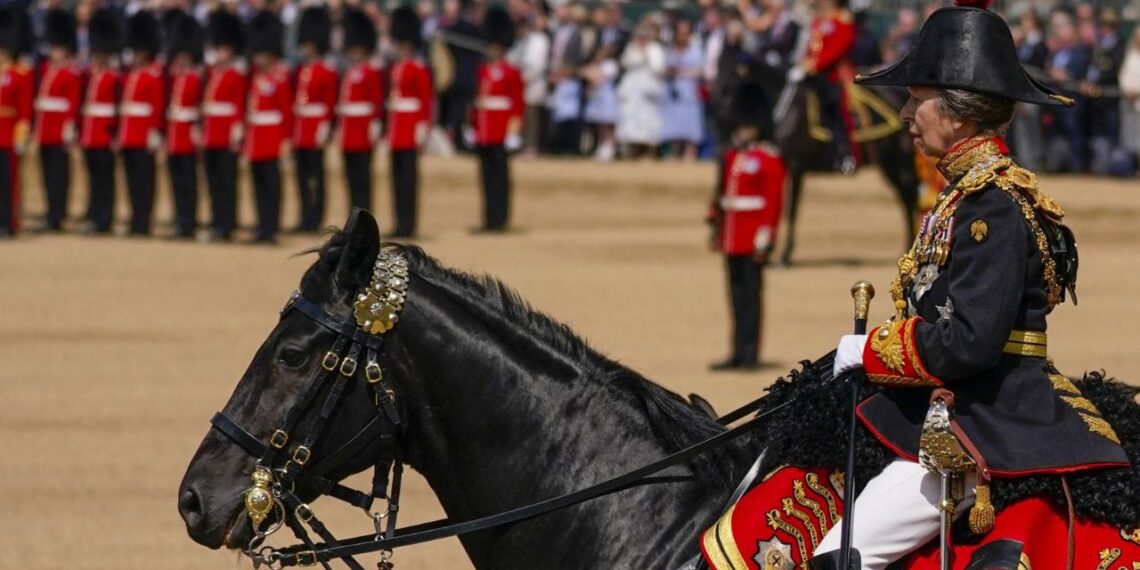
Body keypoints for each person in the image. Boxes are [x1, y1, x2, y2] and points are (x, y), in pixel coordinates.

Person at [820, 4, 1129, 568]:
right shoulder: (967, 195)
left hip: (985, 413)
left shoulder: (995, 207)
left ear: (959, 114)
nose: (906, 113)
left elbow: (970, 341)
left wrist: (871, 349)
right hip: (957, 398)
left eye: (918, 100)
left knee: (839, 556)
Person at [708, 82, 784, 371]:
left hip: (752, 237)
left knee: (751, 298)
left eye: (746, 125)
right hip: (732, 237)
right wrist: (717, 227)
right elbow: (722, 196)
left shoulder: (768, 158)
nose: (740, 130)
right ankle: (737, 351)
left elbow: (773, 202)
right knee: (736, 298)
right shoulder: (732, 157)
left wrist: (765, 237)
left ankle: (750, 352)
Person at [471, 6, 523, 232]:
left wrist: (513, 132)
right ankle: (489, 219)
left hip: (500, 130)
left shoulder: (510, 72)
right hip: (484, 130)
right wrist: (472, 126)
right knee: (486, 179)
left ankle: (501, 219)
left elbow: (517, 104)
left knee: (500, 179)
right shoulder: (483, 70)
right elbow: (478, 102)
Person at [243, 10, 291, 244]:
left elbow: (285, 113)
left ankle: (271, 227)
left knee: (271, 186)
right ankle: (262, 225)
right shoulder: (256, 78)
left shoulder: (279, 79)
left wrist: (284, 142)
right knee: (258, 186)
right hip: (256, 139)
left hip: (271, 139)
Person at [386, 6, 434, 239]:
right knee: (396, 179)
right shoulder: (396, 67)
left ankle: (409, 224)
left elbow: (425, 102)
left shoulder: (418, 68)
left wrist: (422, 130)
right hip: (396, 130)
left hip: (410, 129)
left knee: (408, 180)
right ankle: (399, 222)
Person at [201, 8, 247, 242]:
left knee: (228, 182)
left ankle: (227, 223)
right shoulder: (211, 73)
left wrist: (237, 129)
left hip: (226, 134)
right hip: (210, 134)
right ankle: (217, 220)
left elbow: (238, 104)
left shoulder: (236, 75)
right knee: (213, 182)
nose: (220, 52)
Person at [289, 6, 336, 234]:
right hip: (301, 128)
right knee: (301, 177)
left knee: (316, 177)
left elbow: (328, 102)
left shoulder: (326, 71)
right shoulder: (300, 70)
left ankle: (316, 217)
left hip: (315, 127)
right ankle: (304, 216)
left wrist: (324, 127)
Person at [796, 0, 856, 174]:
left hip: (833, 75)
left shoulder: (842, 19)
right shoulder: (819, 20)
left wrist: (817, 64)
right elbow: (813, 46)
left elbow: (841, 46)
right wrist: (806, 62)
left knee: (835, 107)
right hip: (814, 74)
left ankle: (845, 152)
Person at [118, 10, 164, 236]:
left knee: (144, 181)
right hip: (128, 134)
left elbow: (155, 106)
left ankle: (144, 221)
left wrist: (154, 131)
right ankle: (135, 219)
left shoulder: (152, 75)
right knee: (130, 181)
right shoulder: (129, 74)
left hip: (143, 134)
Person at [79, 8, 122, 236]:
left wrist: (116, 133)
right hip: (90, 133)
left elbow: (117, 108)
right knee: (93, 178)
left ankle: (105, 218)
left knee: (106, 179)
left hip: (105, 132)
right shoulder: (90, 75)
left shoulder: (114, 77)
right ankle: (94, 215)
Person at [337, 6, 382, 214]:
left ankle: (364, 216)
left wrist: (375, 122)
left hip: (363, 129)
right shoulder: (348, 71)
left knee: (363, 178)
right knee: (350, 178)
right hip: (349, 130)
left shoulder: (370, 72)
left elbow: (375, 99)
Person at [164, 10, 205, 239]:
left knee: (189, 182)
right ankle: (180, 220)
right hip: (174, 135)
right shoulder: (175, 77)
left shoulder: (197, 77)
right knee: (176, 181)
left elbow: (200, 107)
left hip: (189, 134)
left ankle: (190, 221)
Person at [0, 5, 33, 238]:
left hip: (8, 133)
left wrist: (21, 136)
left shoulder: (20, 74)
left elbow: (23, 109)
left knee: (8, 183)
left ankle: (9, 222)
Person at [615, 18, 664, 159]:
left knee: (650, 123)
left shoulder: (655, 49)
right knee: (630, 124)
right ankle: (633, 152)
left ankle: (651, 153)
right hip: (632, 92)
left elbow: (658, 68)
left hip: (648, 92)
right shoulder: (631, 48)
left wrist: (646, 53)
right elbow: (625, 63)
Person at [659, 16, 704, 161]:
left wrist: (681, 72)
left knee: (690, 124)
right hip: (672, 93)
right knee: (674, 124)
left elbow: (701, 71)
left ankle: (690, 154)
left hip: (689, 92)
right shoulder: (670, 50)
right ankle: (675, 153)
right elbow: (664, 69)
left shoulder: (696, 50)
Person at [1121, 28, 1140, 169]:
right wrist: (1127, 90)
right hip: (1129, 102)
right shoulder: (1131, 55)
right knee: (1130, 137)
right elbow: (1123, 76)